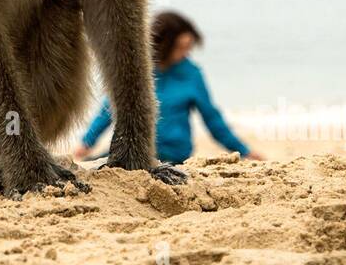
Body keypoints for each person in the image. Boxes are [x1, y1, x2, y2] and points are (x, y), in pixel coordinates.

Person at [75, 11, 261, 164]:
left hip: (174, 156)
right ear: (163, 44)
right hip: (135, 151)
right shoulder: (138, 70)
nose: (186, 53)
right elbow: (110, 109)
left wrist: (244, 151)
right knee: (88, 167)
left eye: (189, 47)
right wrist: (87, 142)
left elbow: (213, 119)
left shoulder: (192, 74)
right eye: (181, 47)